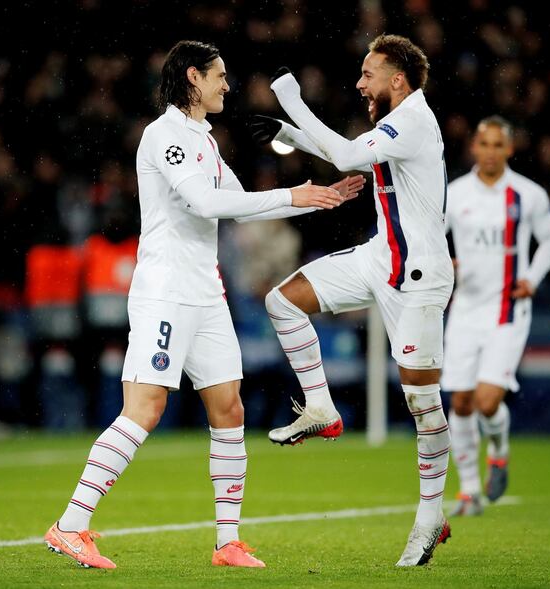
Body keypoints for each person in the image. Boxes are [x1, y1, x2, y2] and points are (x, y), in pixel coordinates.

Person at [43, 40, 364, 570]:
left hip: (206, 292)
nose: (227, 85)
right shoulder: (164, 135)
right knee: (144, 410)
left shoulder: (203, 140)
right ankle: (70, 526)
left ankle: (228, 542)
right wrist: (292, 197)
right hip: (166, 291)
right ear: (193, 77)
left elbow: (237, 207)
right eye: (219, 76)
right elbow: (206, 202)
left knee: (229, 409)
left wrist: (316, 196)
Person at [251, 34, 452, 566]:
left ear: (398, 80)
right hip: (379, 257)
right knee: (283, 300)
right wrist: (286, 131)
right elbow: (349, 156)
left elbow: (343, 154)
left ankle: (430, 516)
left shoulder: (412, 120)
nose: (360, 83)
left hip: (419, 275)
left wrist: (291, 100)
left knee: (421, 403)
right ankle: (321, 407)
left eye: (369, 74)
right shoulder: (395, 124)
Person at [441, 116, 550, 516]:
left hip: (508, 311)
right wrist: (446, 262)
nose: (490, 151)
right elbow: (431, 238)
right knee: (459, 401)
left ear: (509, 149)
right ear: (473, 148)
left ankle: (499, 451)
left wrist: (531, 277)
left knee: (486, 400)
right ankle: (470, 492)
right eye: (484, 143)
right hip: (465, 308)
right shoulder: (455, 194)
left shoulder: (526, 195)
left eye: (498, 144)